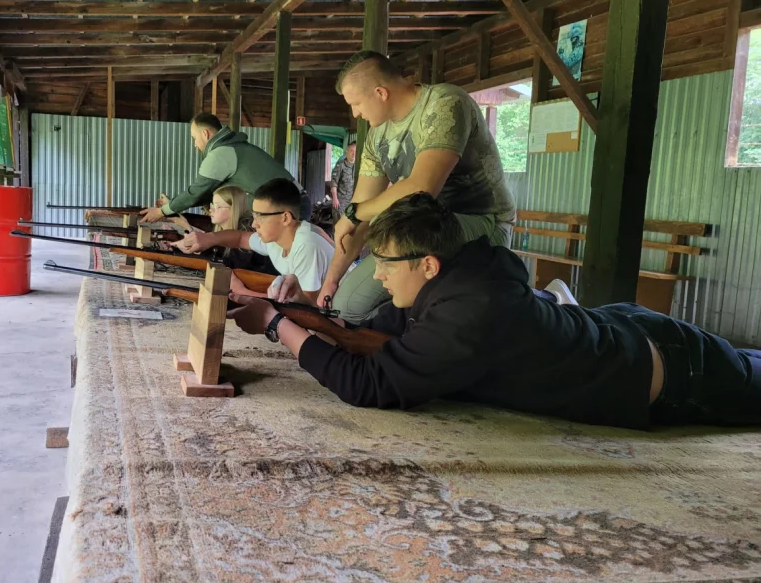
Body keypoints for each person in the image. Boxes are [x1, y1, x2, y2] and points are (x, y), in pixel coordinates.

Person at [227, 193, 761, 430]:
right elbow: (370, 335)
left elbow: (368, 386)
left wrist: (277, 325)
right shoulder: (457, 277)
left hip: (673, 371)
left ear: (429, 264)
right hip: (623, 327)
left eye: (386, 263)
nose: (380, 275)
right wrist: (297, 311)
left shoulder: (471, 310)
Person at [321, 51, 516, 323]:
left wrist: (354, 213)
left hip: (482, 222)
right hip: (424, 231)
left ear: (380, 92)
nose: (355, 113)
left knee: (364, 302)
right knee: (346, 307)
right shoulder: (377, 137)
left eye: (355, 103)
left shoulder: (446, 102)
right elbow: (359, 217)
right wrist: (331, 282)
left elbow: (422, 189)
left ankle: (539, 302)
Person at [173, 178, 334, 300]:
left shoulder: (306, 245)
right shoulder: (277, 239)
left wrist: (244, 294)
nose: (254, 224)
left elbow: (307, 308)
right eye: (254, 215)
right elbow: (240, 238)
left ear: (285, 218)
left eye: (261, 217)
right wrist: (208, 238)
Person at [139, 113, 312, 224]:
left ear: (206, 134)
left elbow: (196, 193)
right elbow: (205, 194)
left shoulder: (220, 154)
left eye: (194, 138)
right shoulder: (233, 148)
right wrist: (173, 205)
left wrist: (162, 211)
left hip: (289, 208)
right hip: (292, 204)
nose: (195, 144)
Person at [209, 185, 277, 275]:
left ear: (233, 208)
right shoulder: (220, 230)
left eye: (218, 206)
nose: (211, 210)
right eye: (212, 205)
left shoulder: (247, 232)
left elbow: (240, 272)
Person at [330, 142, 357, 211]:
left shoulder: (357, 167)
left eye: (355, 151)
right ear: (347, 151)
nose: (353, 153)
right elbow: (333, 183)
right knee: (339, 221)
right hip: (340, 202)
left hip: (352, 202)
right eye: (351, 151)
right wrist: (335, 198)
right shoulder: (340, 166)